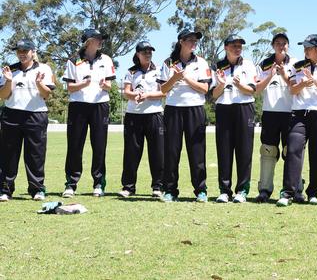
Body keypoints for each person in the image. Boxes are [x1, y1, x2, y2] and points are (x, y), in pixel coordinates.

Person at [277, 34, 317, 206]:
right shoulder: (298, 66)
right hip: (299, 113)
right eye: (304, 47)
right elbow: (293, 90)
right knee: (293, 149)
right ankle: (288, 192)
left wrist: (314, 81)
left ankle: (313, 193)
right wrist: (302, 84)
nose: (305, 50)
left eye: (309, 47)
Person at [158, 29, 212, 202]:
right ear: (181, 41)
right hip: (173, 110)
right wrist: (174, 78)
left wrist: (187, 79)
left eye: (195, 40)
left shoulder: (201, 62)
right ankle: (170, 190)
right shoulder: (168, 63)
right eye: (190, 39)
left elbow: (205, 89)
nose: (194, 43)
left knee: (197, 151)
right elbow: (162, 90)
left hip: (195, 109)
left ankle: (201, 190)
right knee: (171, 151)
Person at [61, 29, 116, 198]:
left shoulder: (106, 59)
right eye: (98, 39)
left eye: (101, 39)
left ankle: (99, 183)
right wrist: (83, 85)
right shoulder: (73, 60)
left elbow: (109, 85)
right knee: (75, 146)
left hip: (100, 105)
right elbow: (69, 88)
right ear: (88, 41)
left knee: (99, 146)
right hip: (78, 106)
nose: (101, 41)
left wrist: (105, 85)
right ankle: (71, 184)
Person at [0, 39, 55, 201]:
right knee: (8, 154)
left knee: (35, 155)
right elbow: (3, 95)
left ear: (33, 51)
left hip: (36, 115)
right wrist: (9, 80)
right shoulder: (10, 69)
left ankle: (37, 189)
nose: (22, 54)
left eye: (25, 50)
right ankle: (5, 189)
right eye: (19, 51)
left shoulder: (44, 68)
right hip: (11, 114)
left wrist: (39, 83)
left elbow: (46, 95)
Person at [254, 32, 302, 203]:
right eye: (278, 43)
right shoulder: (264, 64)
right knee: (268, 151)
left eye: (284, 43)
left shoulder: (296, 63)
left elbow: (296, 87)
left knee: (292, 151)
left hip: (291, 113)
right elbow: (257, 90)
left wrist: (283, 75)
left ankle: (295, 190)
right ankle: (265, 190)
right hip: (270, 113)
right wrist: (270, 75)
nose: (281, 46)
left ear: (288, 46)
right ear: (273, 45)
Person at [211, 34, 257, 203]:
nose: (237, 48)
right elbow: (213, 94)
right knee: (224, 149)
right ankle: (224, 190)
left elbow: (252, 90)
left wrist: (239, 85)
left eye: (240, 46)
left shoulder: (249, 65)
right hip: (224, 108)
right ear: (226, 47)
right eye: (234, 45)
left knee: (244, 150)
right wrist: (222, 84)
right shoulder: (217, 66)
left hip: (244, 108)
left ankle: (242, 190)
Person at [118, 41, 164, 198]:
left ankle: (158, 187)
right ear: (137, 54)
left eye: (150, 51)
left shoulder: (159, 70)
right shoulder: (130, 72)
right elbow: (126, 92)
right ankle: (128, 187)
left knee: (157, 152)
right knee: (131, 152)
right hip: (133, 116)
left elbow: (163, 92)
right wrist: (135, 95)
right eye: (144, 51)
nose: (148, 53)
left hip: (155, 114)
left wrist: (148, 95)